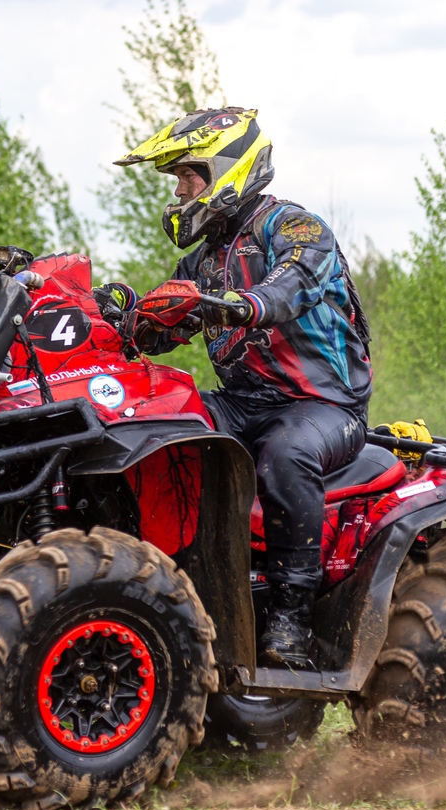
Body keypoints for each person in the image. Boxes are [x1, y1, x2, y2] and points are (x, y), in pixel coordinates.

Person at [102, 106, 373, 669]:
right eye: (177, 178)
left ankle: (291, 618)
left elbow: (295, 281)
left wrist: (242, 304)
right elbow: (160, 328)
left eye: (188, 175)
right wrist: (120, 316)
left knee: (285, 454)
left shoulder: (293, 226)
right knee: (150, 423)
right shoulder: (205, 259)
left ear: (229, 170)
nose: (179, 190)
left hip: (324, 406)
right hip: (243, 404)